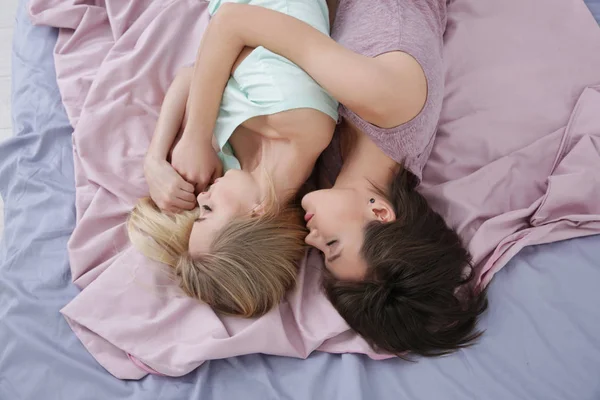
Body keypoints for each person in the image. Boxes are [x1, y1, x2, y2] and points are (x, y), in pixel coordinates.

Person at [185, 0, 488, 357]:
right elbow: (233, 22)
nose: (311, 240)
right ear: (380, 214)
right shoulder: (389, 102)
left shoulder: (332, 178)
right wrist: (195, 136)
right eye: (332, 246)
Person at [127, 0, 339, 318]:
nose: (203, 196)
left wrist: (155, 160)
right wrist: (196, 136)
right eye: (208, 211)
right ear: (256, 214)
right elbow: (226, 27)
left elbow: (191, 77)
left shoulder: (239, 172)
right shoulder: (300, 119)